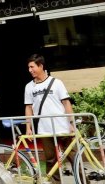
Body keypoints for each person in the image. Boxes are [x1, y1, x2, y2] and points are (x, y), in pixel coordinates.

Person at [24, 54, 75, 182]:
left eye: (32, 67)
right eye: (29, 67)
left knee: (74, 157)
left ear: (40, 66)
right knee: (51, 160)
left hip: (63, 127)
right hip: (44, 129)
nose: (30, 70)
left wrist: (71, 123)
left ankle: (84, 181)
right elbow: (28, 108)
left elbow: (66, 103)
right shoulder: (29, 87)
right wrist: (28, 127)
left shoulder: (57, 83)